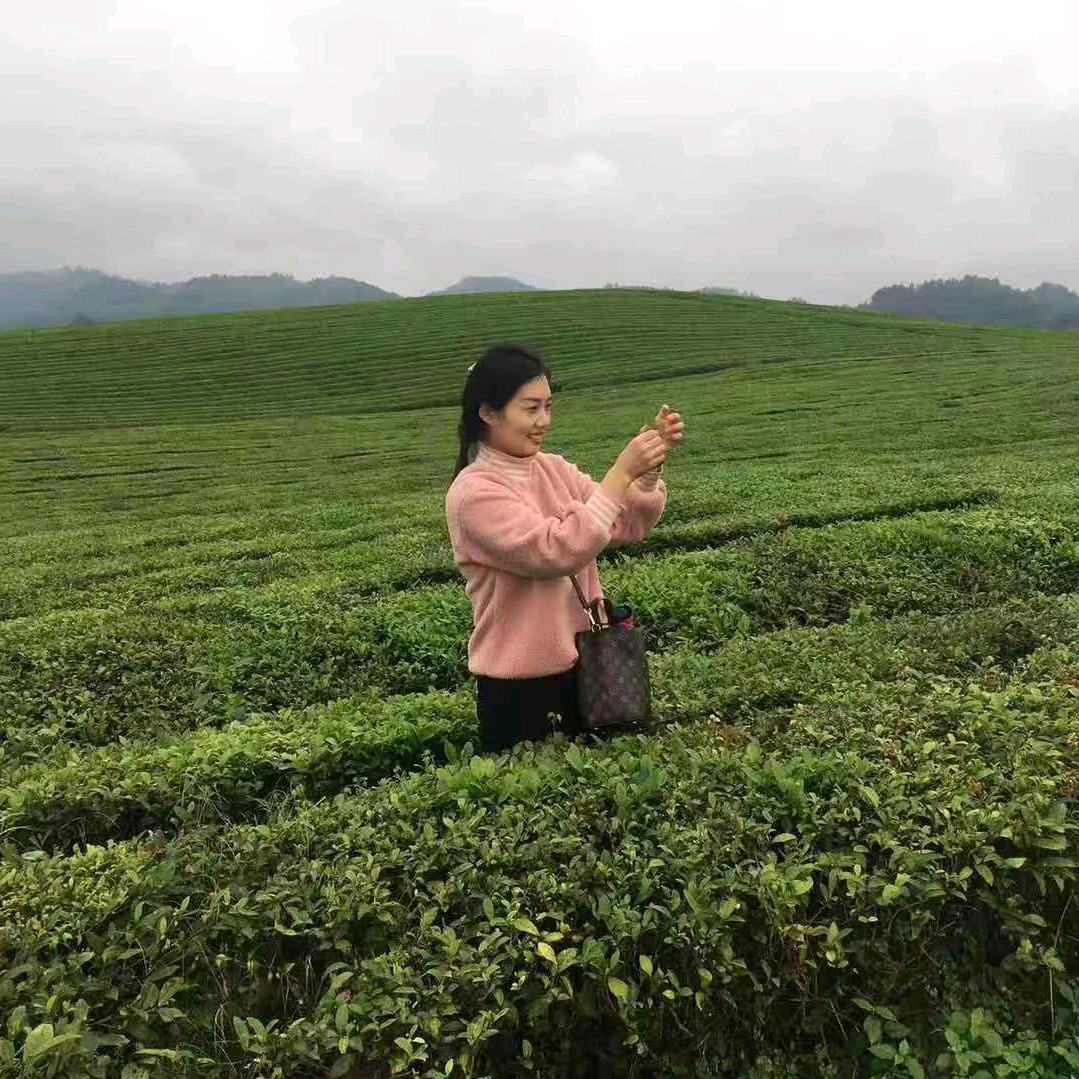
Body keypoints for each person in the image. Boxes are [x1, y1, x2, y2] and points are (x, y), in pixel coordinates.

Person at [445, 343, 685, 752]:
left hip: (587, 669)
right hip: (520, 691)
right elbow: (557, 550)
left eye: (548, 407)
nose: (543, 421)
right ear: (487, 413)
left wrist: (645, 474)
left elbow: (624, 522)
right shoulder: (473, 494)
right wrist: (620, 472)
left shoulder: (553, 468)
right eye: (530, 408)